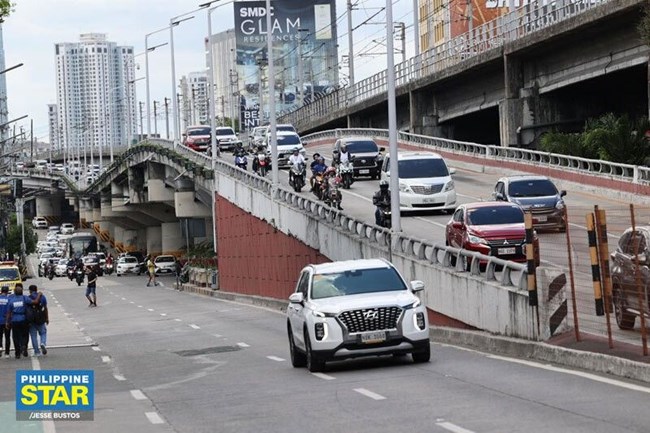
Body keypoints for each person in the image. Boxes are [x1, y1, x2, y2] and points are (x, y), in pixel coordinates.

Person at [5, 286, 42, 359]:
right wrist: (39, 295)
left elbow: (8, 312)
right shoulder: (24, 298)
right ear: (22, 292)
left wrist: (7, 322)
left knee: (15, 337)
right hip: (23, 319)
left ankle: (17, 353)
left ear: (15, 293)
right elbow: (35, 302)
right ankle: (24, 345)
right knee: (25, 334)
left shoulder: (12, 301)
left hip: (14, 320)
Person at [28, 285, 48, 356]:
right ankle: (42, 343)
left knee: (33, 335)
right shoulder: (43, 297)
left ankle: (37, 352)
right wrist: (47, 318)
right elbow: (45, 308)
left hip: (32, 320)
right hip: (41, 318)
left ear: (30, 290)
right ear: (36, 290)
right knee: (43, 332)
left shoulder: (28, 298)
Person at [0, 286, 10, 358]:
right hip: (7, 321)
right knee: (7, 337)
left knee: (0, 336)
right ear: (7, 291)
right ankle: (7, 353)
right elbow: (10, 311)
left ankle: (0, 347)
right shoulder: (9, 299)